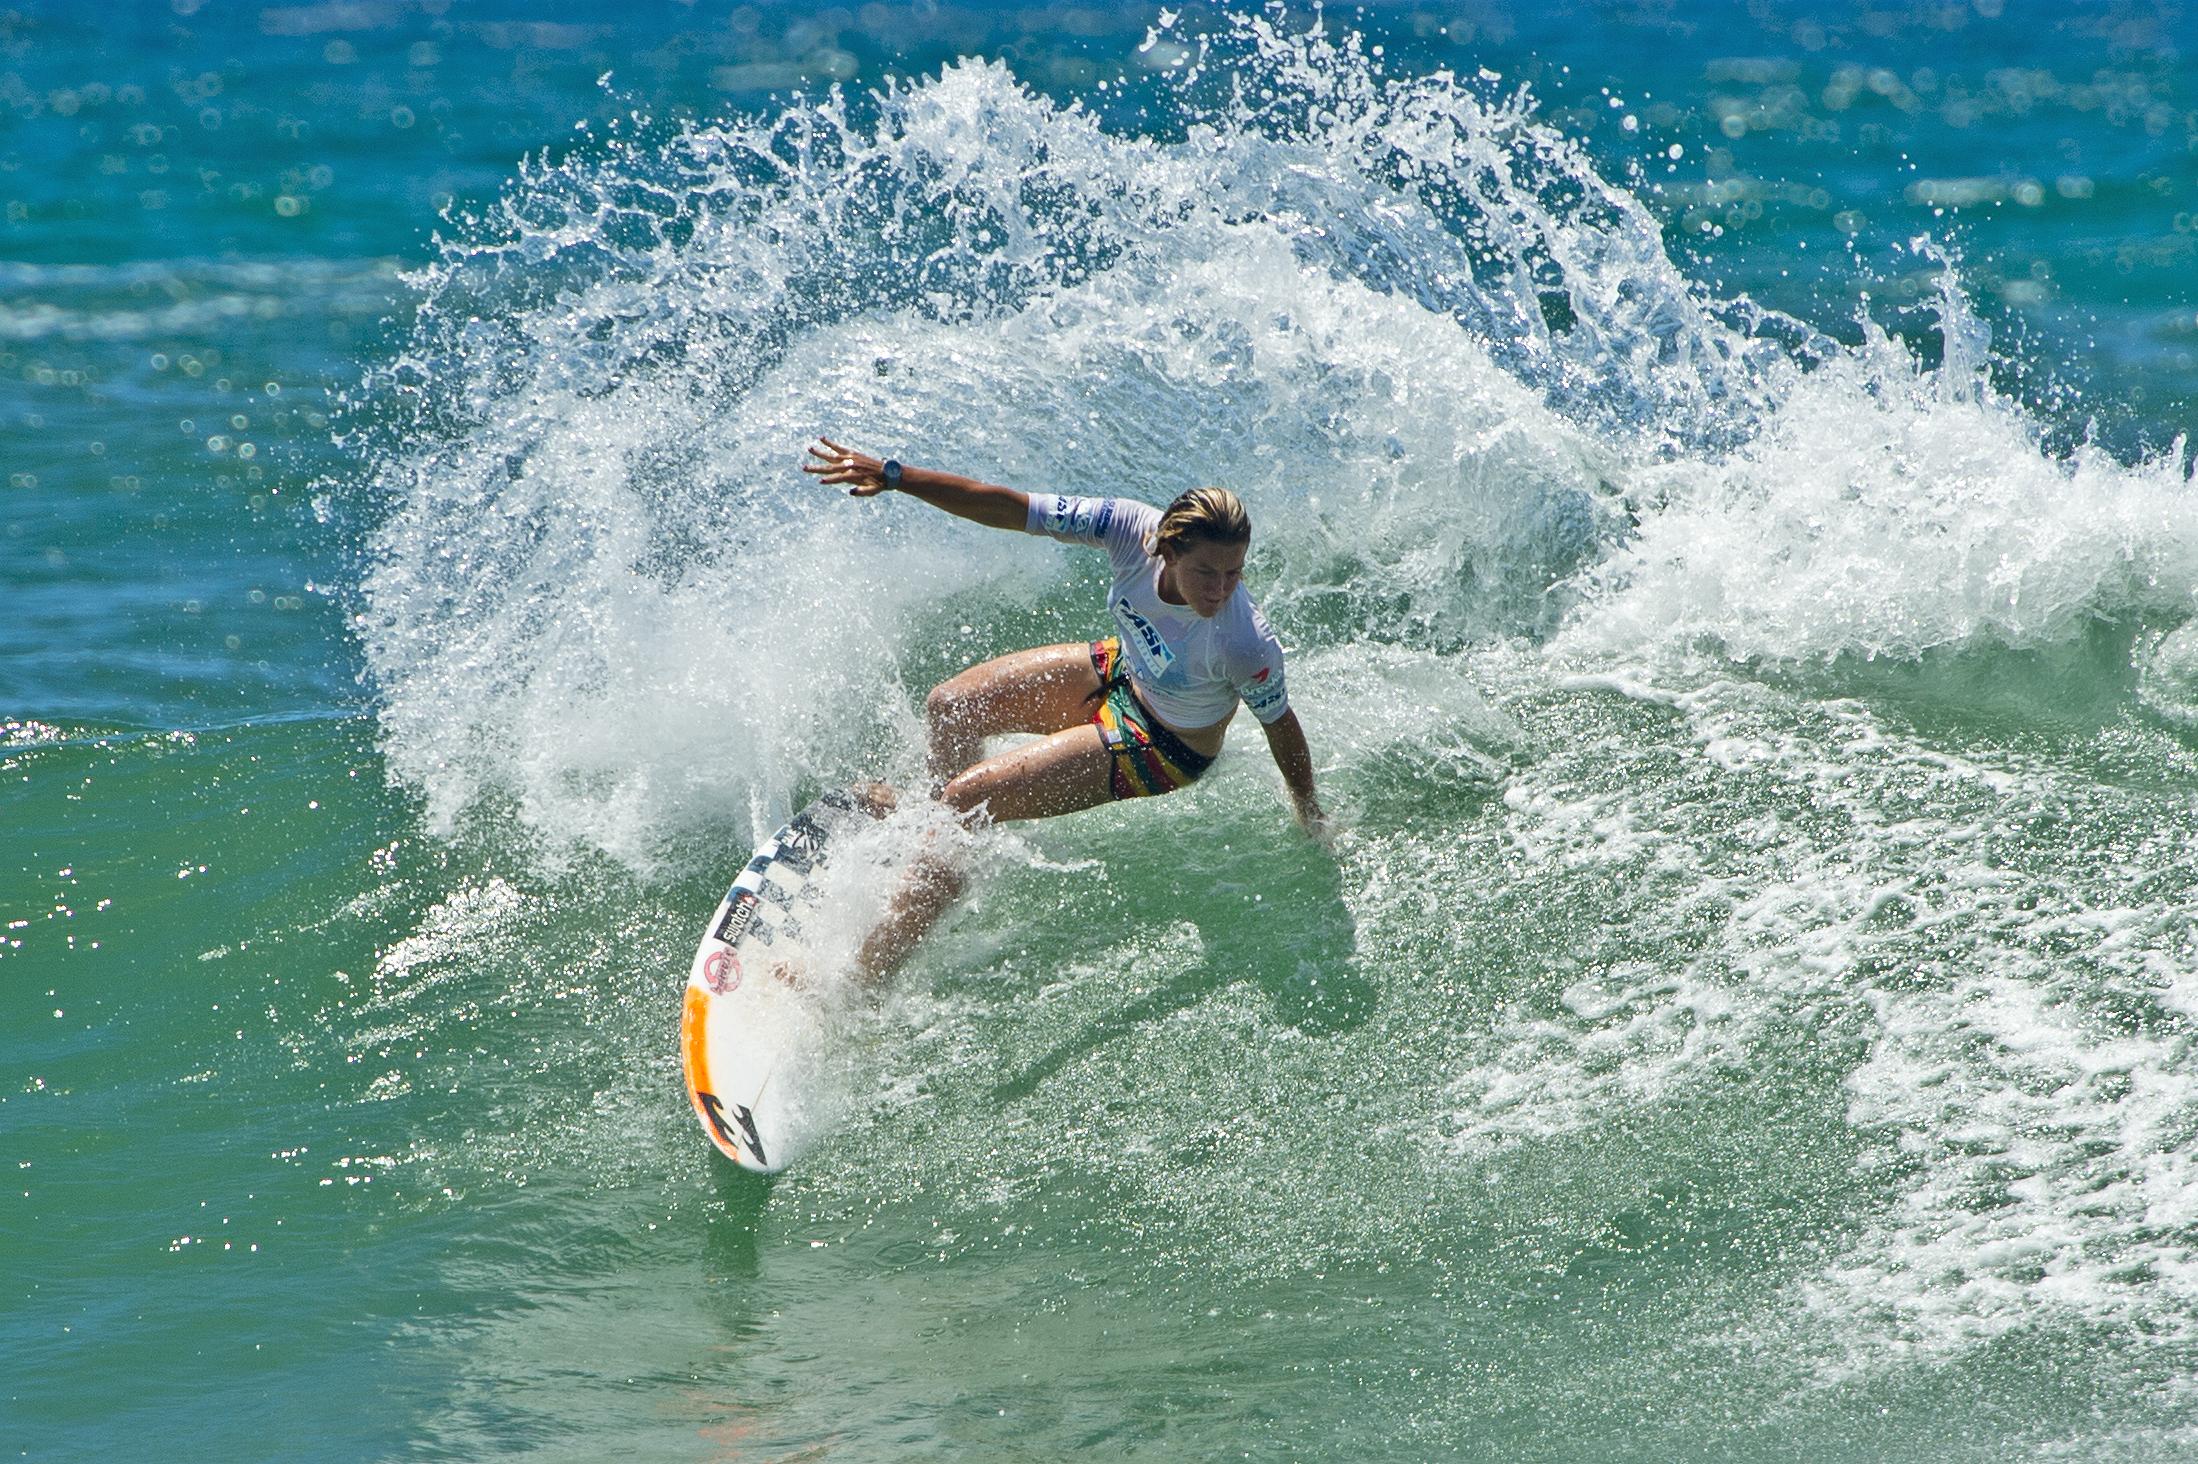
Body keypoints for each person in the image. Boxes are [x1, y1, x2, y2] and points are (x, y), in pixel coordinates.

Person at [804, 436, 1326, 976]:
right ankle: (939, 846)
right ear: (1166, 550)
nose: (1221, 590)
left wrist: (1309, 812)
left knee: (965, 798)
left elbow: (1280, 724)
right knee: (950, 705)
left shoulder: (1244, 641)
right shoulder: (1129, 529)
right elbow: (1011, 507)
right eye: (1207, 574)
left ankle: (861, 976)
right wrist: (896, 475)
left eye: (1234, 572)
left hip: (1164, 745)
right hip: (1124, 669)